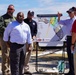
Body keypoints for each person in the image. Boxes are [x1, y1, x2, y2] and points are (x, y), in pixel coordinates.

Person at [58, 8, 76, 75]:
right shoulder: (67, 21)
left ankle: (74, 71)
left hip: (74, 38)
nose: (69, 14)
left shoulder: (75, 20)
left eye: (70, 12)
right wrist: (59, 16)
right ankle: (71, 71)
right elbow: (59, 22)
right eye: (68, 13)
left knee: (73, 55)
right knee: (69, 55)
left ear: (74, 12)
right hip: (69, 38)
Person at [0, 4, 15, 75]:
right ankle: (5, 72)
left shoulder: (14, 19)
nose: (10, 10)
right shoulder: (2, 18)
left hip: (12, 39)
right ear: (7, 9)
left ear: (14, 10)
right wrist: (9, 31)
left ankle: (8, 70)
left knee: (10, 56)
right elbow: (1, 27)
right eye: (9, 9)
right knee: (5, 55)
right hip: (4, 39)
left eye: (11, 9)